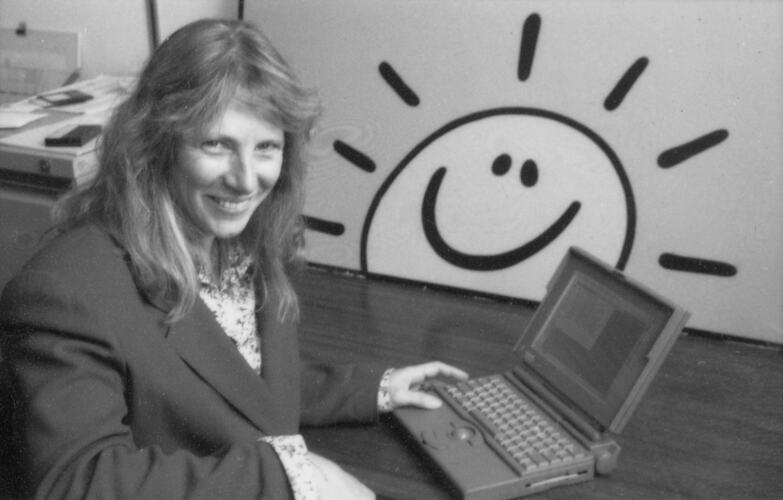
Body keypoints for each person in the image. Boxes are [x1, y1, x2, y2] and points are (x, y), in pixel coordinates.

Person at [0, 19, 467, 500]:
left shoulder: (243, 239)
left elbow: (236, 381)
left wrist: (376, 388)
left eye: (267, 147)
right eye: (217, 145)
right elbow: (78, 482)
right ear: (155, 145)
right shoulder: (65, 291)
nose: (246, 182)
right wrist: (292, 478)